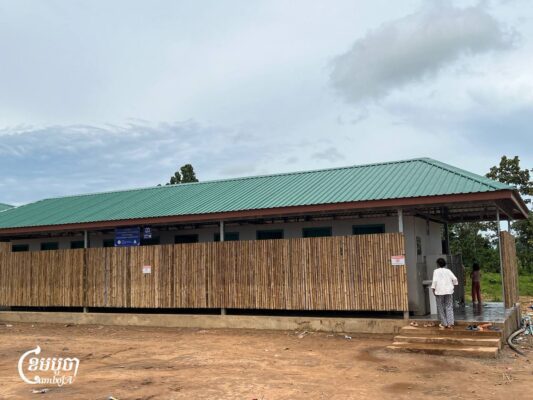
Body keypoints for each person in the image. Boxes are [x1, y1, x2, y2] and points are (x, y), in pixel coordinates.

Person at [431, 258, 458, 329]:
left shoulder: (436, 271)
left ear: (437, 264)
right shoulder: (448, 271)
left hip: (439, 292)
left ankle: (444, 323)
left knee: (440, 307)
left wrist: (433, 289)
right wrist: (453, 286)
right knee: (449, 306)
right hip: (448, 291)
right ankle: (450, 323)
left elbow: (435, 281)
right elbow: (455, 279)